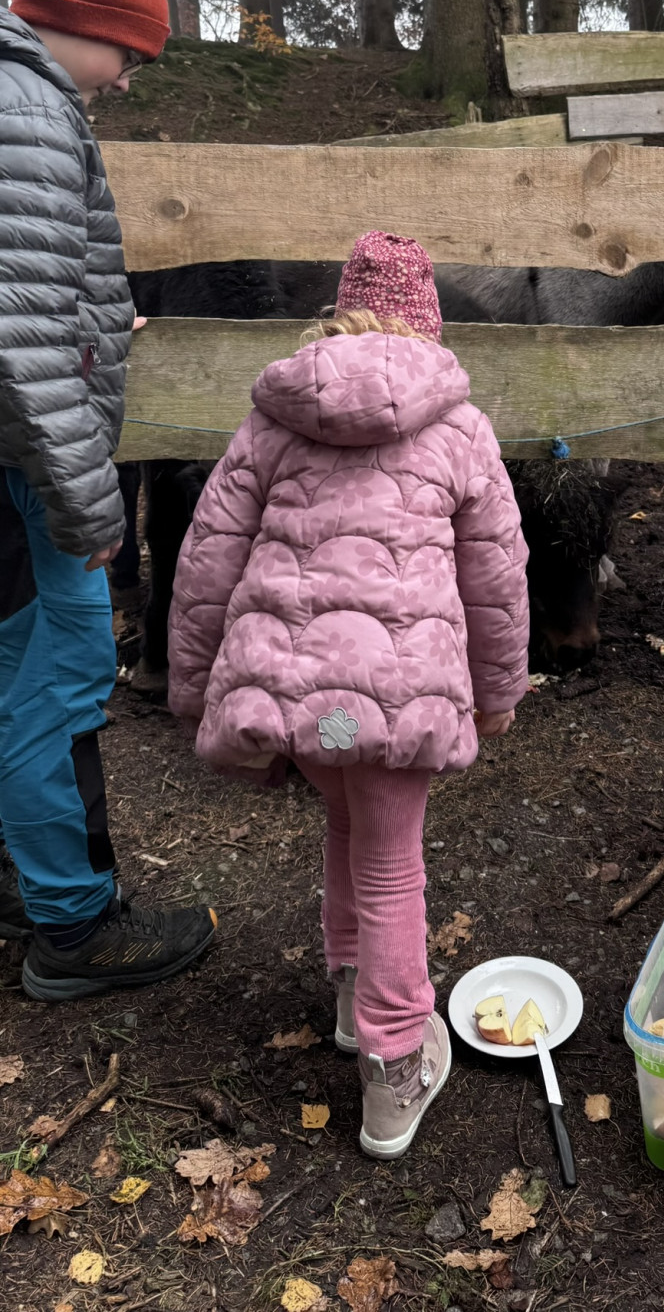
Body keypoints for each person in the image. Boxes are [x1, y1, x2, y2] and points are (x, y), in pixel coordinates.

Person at [168, 232, 529, 1158]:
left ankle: (348, 989)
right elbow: (496, 578)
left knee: (345, 819)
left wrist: (192, 683)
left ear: (339, 311)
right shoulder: (461, 427)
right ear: (428, 320)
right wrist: (498, 693)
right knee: (392, 860)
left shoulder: (273, 418)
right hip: (402, 702)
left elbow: (206, 558)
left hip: (313, 713)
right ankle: (396, 1062)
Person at [0, 0, 216, 1000]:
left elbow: (32, 298)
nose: (129, 77)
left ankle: (25, 868)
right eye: (130, 50)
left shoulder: (17, 99)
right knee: (70, 668)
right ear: (82, 18)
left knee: (13, 660)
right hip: (31, 466)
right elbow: (21, 342)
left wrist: (95, 321)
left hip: (10, 455)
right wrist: (93, 512)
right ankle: (74, 924)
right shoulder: (33, 116)